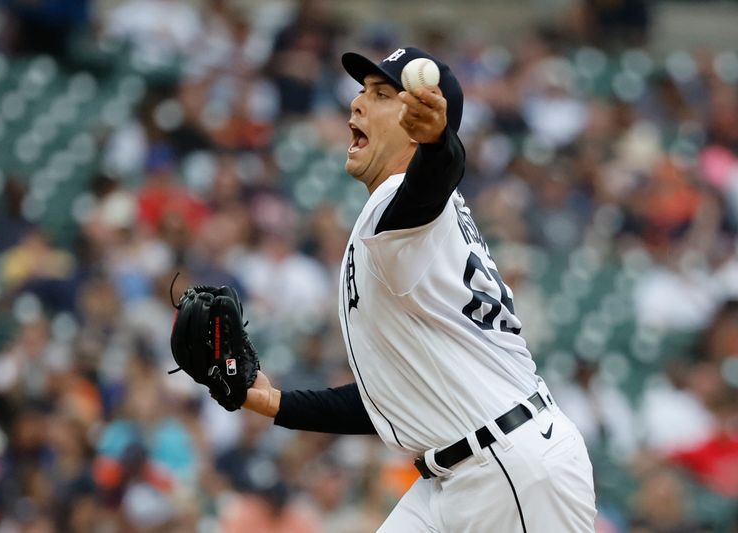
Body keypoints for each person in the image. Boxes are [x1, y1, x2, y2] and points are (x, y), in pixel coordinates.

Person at [238, 47, 597, 532]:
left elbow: (435, 177)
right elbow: (393, 398)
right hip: (462, 470)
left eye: (382, 94)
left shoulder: (407, 205)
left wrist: (439, 144)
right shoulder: (409, 224)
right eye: (362, 91)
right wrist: (274, 401)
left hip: (513, 474)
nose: (357, 104)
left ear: (419, 119)